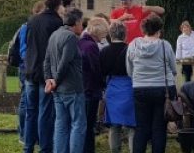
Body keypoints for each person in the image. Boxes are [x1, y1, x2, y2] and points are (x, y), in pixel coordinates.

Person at [126, 15, 176, 153]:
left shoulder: (133, 44)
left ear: (143, 29)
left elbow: (129, 70)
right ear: (159, 29)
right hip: (162, 89)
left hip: (140, 88)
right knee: (159, 128)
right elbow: (173, 68)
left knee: (141, 128)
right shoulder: (165, 45)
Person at [23, 0, 64, 153]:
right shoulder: (57, 22)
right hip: (46, 73)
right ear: (57, 6)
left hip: (30, 70)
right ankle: (45, 148)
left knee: (30, 112)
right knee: (45, 113)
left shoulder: (32, 20)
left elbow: (28, 44)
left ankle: (28, 147)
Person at [44, 8, 87, 153]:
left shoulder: (54, 34)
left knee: (61, 124)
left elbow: (47, 61)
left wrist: (49, 80)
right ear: (76, 22)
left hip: (58, 89)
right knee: (78, 124)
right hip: (72, 88)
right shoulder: (70, 37)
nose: (83, 25)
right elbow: (65, 62)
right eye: (82, 22)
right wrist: (54, 80)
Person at [13, 1, 45, 145]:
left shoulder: (31, 26)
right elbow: (24, 50)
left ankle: (30, 134)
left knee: (31, 102)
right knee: (26, 101)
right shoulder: (27, 27)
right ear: (38, 12)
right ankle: (24, 134)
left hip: (30, 67)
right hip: (26, 68)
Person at [100, 21, 135, 153]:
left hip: (112, 89)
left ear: (110, 34)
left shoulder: (104, 51)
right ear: (125, 34)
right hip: (129, 88)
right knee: (132, 126)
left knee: (114, 126)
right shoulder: (130, 49)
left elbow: (101, 73)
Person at [79, 17, 109, 153]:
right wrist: (103, 83)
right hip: (90, 89)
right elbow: (96, 69)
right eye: (103, 35)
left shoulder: (81, 42)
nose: (102, 39)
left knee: (82, 123)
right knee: (89, 125)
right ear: (97, 32)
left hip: (82, 87)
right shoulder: (91, 46)